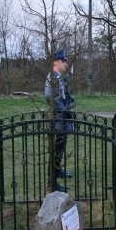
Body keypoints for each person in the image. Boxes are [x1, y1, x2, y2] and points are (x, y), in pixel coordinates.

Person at [44, 49, 75, 192]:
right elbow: (50, 98)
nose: (66, 64)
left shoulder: (61, 77)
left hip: (63, 119)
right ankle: (52, 179)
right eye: (64, 61)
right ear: (56, 62)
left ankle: (58, 170)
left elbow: (66, 96)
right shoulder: (52, 78)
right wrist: (65, 111)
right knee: (56, 149)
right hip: (57, 119)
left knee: (61, 148)